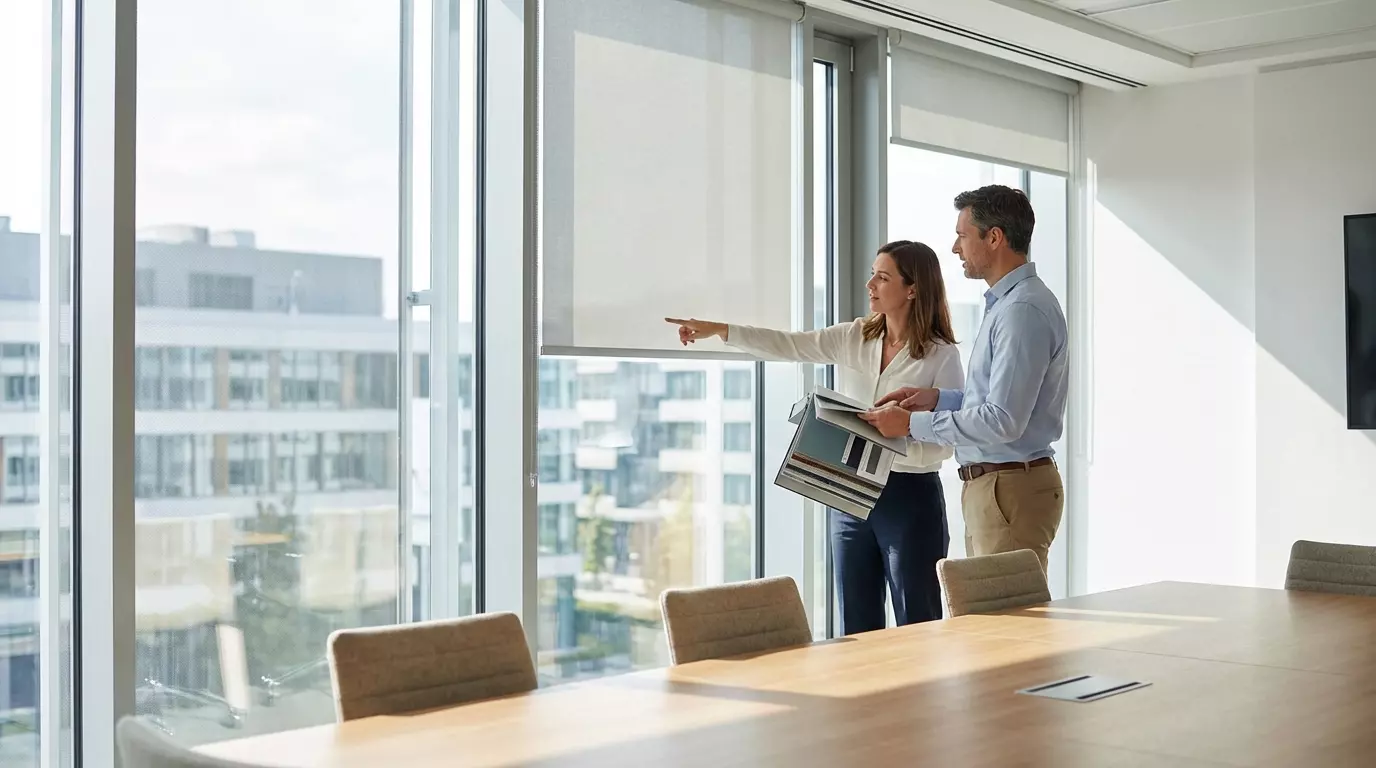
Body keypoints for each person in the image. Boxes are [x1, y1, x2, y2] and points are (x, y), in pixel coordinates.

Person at [666, 241, 963, 633]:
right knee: (855, 623)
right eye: (873, 273)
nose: (870, 283)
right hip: (849, 492)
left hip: (909, 496)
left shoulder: (941, 356)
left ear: (913, 289)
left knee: (918, 619)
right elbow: (790, 344)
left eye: (883, 276)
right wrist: (721, 330)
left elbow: (948, 438)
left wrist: (899, 432)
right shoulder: (855, 336)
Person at [862, 185, 1068, 573]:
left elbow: (1003, 419)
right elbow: (995, 402)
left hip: (1008, 490)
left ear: (994, 238)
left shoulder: (1021, 311)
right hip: (999, 490)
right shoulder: (1008, 305)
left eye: (962, 235)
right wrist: (938, 398)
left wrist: (911, 424)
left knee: (1005, 625)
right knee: (995, 623)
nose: (956, 248)